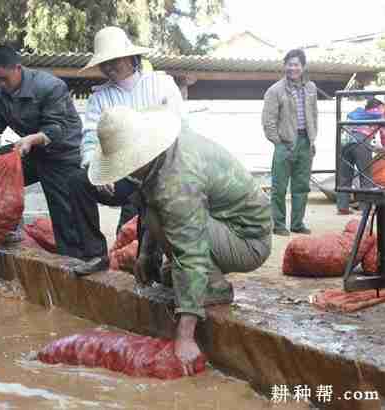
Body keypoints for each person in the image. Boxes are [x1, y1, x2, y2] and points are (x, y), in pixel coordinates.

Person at [87, 105, 272, 376]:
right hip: (219, 225)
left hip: (247, 240)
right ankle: (197, 279)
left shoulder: (177, 180)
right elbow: (152, 207)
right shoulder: (160, 157)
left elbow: (191, 252)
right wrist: (146, 254)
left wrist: (184, 336)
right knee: (167, 250)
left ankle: (215, 285)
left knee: (175, 235)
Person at [68, 26, 186, 275]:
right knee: (78, 182)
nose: (110, 67)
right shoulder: (99, 98)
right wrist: (95, 170)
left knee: (151, 212)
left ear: (131, 58)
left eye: (115, 60)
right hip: (119, 173)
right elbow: (90, 138)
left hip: (159, 173)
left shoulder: (161, 84)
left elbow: (179, 128)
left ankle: (161, 263)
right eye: (105, 63)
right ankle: (94, 254)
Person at [0, 45, 92, 256]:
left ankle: (73, 262)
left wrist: (32, 139)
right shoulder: (0, 91)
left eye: (4, 78)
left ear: (18, 68)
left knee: (64, 216)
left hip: (61, 154)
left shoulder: (50, 87)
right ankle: (9, 229)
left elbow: (55, 128)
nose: (1, 85)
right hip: (30, 150)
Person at [262, 49, 318, 236]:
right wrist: (278, 142)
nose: (293, 68)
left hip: (305, 143)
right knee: (279, 187)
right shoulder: (275, 90)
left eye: (297, 64)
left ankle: (297, 224)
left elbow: (314, 115)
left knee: (301, 186)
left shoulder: (310, 88)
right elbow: (268, 121)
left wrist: (312, 138)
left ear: (303, 67)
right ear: (285, 66)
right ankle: (278, 225)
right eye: (290, 64)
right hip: (285, 144)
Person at [337, 98, 385, 215]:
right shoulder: (379, 114)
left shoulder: (356, 112)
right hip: (361, 143)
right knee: (366, 176)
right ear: (379, 107)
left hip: (345, 143)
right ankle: (365, 208)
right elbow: (383, 134)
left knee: (344, 176)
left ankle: (342, 207)